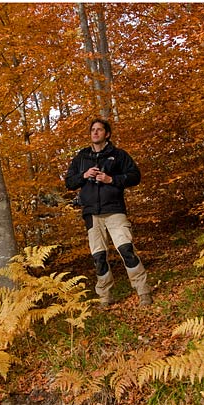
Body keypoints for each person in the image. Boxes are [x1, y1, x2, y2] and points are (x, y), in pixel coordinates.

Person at [65, 119, 152, 307]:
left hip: (114, 210)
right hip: (91, 214)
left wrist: (111, 179)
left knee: (126, 249)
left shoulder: (118, 155)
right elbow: (69, 182)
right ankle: (105, 296)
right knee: (99, 257)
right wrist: (84, 175)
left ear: (107, 134)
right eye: (93, 130)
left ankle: (143, 291)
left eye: (99, 130)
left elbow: (135, 176)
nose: (95, 133)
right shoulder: (81, 158)